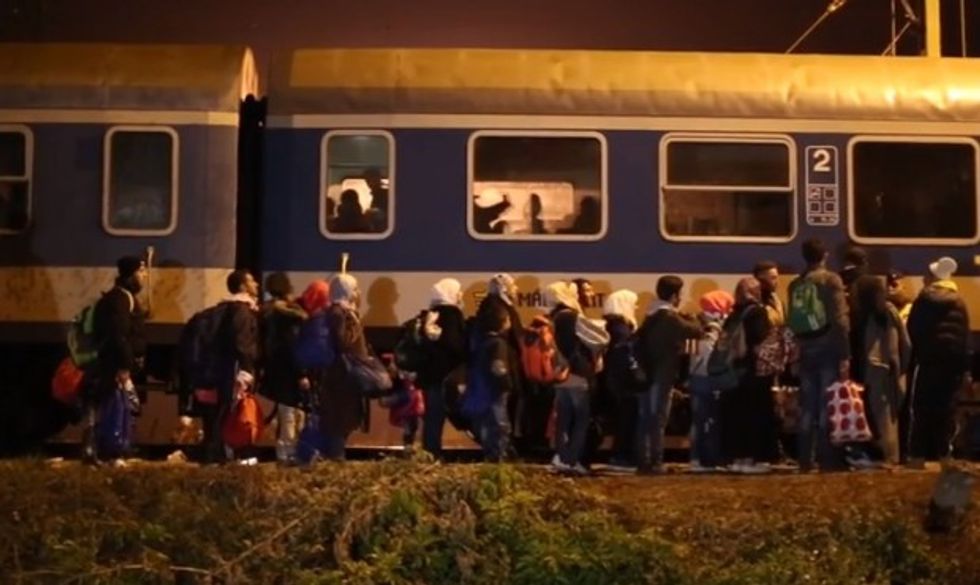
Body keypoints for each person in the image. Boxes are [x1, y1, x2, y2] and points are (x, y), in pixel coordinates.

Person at [788, 239, 850, 472]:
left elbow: (792, 321)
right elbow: (840, 320)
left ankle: (805, 459)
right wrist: (845, 354)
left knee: (807, 406)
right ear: (825, 255)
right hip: (828, 348)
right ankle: (827, 459)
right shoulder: (831, 280)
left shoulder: (796, 284)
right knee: (826, 405)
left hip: (805, 349)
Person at [906, 257, 972, 466]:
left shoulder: (923, 300)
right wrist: (966, 368)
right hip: (951, 364)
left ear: (934, 278)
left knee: (922, 408)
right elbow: (964, 338)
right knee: (946, 409)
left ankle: (917, 455)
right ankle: (944, 454)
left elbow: (912, 329)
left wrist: (917, 355)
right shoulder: (959, 302)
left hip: (927, 362)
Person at [83, 255, 148, 465]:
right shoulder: (120, 299)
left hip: (116, 362)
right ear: (130, 275)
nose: (144, 275)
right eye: (140, 271)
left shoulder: (120, 296)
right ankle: (111, 452)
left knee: (119, 407)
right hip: (114, 364)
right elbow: (119, 335)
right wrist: (124, 365)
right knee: (115, 407)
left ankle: (113, 450)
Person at [635, 275, 701, 474]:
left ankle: (643, 460)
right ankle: (655, 462)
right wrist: (693, 317)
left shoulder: (650, 315)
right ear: (674, 296)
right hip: (662, 375)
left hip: (646, 374)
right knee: (658, 419)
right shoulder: (670, 317)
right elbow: (695, 331)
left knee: (645, 418)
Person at [547, 281, 609, 475]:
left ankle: (561, 457)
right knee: (581, 419)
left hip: (560, 375)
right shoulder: (571, 316)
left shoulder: (552, 316)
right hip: (577, 374)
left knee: (563, 419)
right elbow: (600, 338)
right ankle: (573, 460)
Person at [204, 270, 260, 463]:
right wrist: (246, 368)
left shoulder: (228, 308)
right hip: (236, 368)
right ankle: (230, 452)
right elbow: (241, 341)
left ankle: (221, 452)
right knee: (233, 410)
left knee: (225, 409)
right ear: (243, 286)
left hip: (227, 367)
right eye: (252, 281)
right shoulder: (242, 311)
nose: (256, 284)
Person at [853, 277, 910, 465]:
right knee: (887, 419)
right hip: (885, 371)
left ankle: (882, 456)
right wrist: (900, 369)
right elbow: (904, 345)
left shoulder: (860, 313)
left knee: (878, 417)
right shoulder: (886, 312)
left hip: (871, 372)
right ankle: (889, 457)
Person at [722, 277, 776, 474]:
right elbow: (761, 340)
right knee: (756, 414)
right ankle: (755, 458)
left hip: (734, 372)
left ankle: (738, 458)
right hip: (754, 371)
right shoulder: (758, 313)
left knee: (737, 416)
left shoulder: (733, 314)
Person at [319, 273, 369, 460]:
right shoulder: (338, 313)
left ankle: (335, 455)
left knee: (345, 418)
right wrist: (355, 324)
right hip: (340, 376)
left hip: (346, 375)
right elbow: (342, 342)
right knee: (339, 419)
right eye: (355, 289)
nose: (358, 292)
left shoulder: (343, 312)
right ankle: (335, 458)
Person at [415, 278, 466, 458]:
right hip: (445, 375)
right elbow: (453, 344)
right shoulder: (451, 314)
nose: (461, 295)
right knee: (439, 415)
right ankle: (432, 453)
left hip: (430, 375)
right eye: (458, 291)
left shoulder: (431, 313)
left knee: (432, 418)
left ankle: (429, 453)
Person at [687, 290, 734, 472]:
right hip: (707, 379)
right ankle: (706, 460)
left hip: (695, 376)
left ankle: (696, 457)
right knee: (709, 420)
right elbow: (710, 357)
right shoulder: (712, 330)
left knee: (698, 420)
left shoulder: (695, 325)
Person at [602, 289, 642, 469]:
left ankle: (621, 455)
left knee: (623, 418)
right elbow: (625, 355)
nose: (636, 307)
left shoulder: (612, 325)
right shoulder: (621, 329)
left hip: (616, 380)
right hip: (624, 381)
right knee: (627, 419)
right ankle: (622, 456)